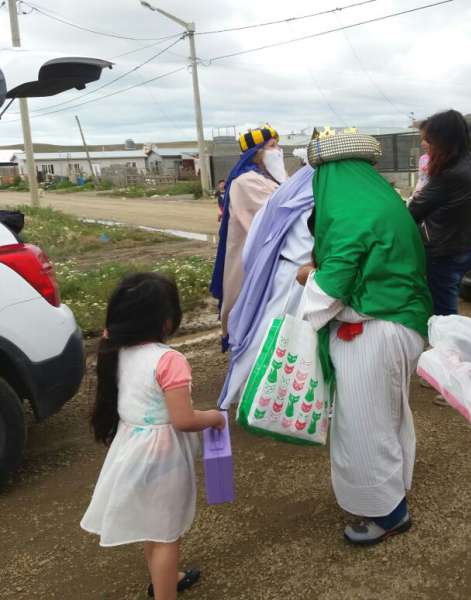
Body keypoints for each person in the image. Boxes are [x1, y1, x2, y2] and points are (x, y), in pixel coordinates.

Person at [296, 155, 432, 545]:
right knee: (387, 415)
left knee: (363, 425)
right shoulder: (384, 204)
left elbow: (330, 287)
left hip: (372, 333)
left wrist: (305, 277)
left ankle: (387, 513)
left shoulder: (351, 216)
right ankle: (393, 492)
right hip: (400, 324)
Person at [80, 273, 226, 600]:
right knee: (167, 535)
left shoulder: (117, 351)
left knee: (153, 525)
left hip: (131, 450)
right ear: (167, 321)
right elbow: (184, 419)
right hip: (164, 457)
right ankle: (166, 589)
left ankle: (166, 577)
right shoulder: (168, 360)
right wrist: (214, 417)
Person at [217, 163, 315, 410]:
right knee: (278, 336)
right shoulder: (310, 202)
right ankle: (255, 396)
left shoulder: (288, 198)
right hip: (297, 277)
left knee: (277, 335)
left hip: (286, 273)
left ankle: (264, 394)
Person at [210, 125, 287, 348]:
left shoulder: (269, 177)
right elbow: (275, 215)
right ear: (257, 152)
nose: (278, 151)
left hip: (271, 255)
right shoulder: (246, 182)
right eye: (273, 146)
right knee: (252, 311)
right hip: (253, 258)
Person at [408, 109, 471, 316]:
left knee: (443, 312)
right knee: (445, 303)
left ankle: (448, 347)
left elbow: (414, 210)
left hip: (445, 251)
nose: (424, 144)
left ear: (444, 140)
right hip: (461, 247)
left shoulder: (451, 174)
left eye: (428, 140)